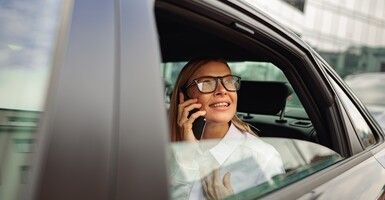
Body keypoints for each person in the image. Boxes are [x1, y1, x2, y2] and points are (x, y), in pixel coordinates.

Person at [168, 58, 285, 200]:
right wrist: (186, 158)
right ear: (184, 97)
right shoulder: (168, 147)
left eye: (228, 81)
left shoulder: (263, 157)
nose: (222, 90)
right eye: (207, 82)